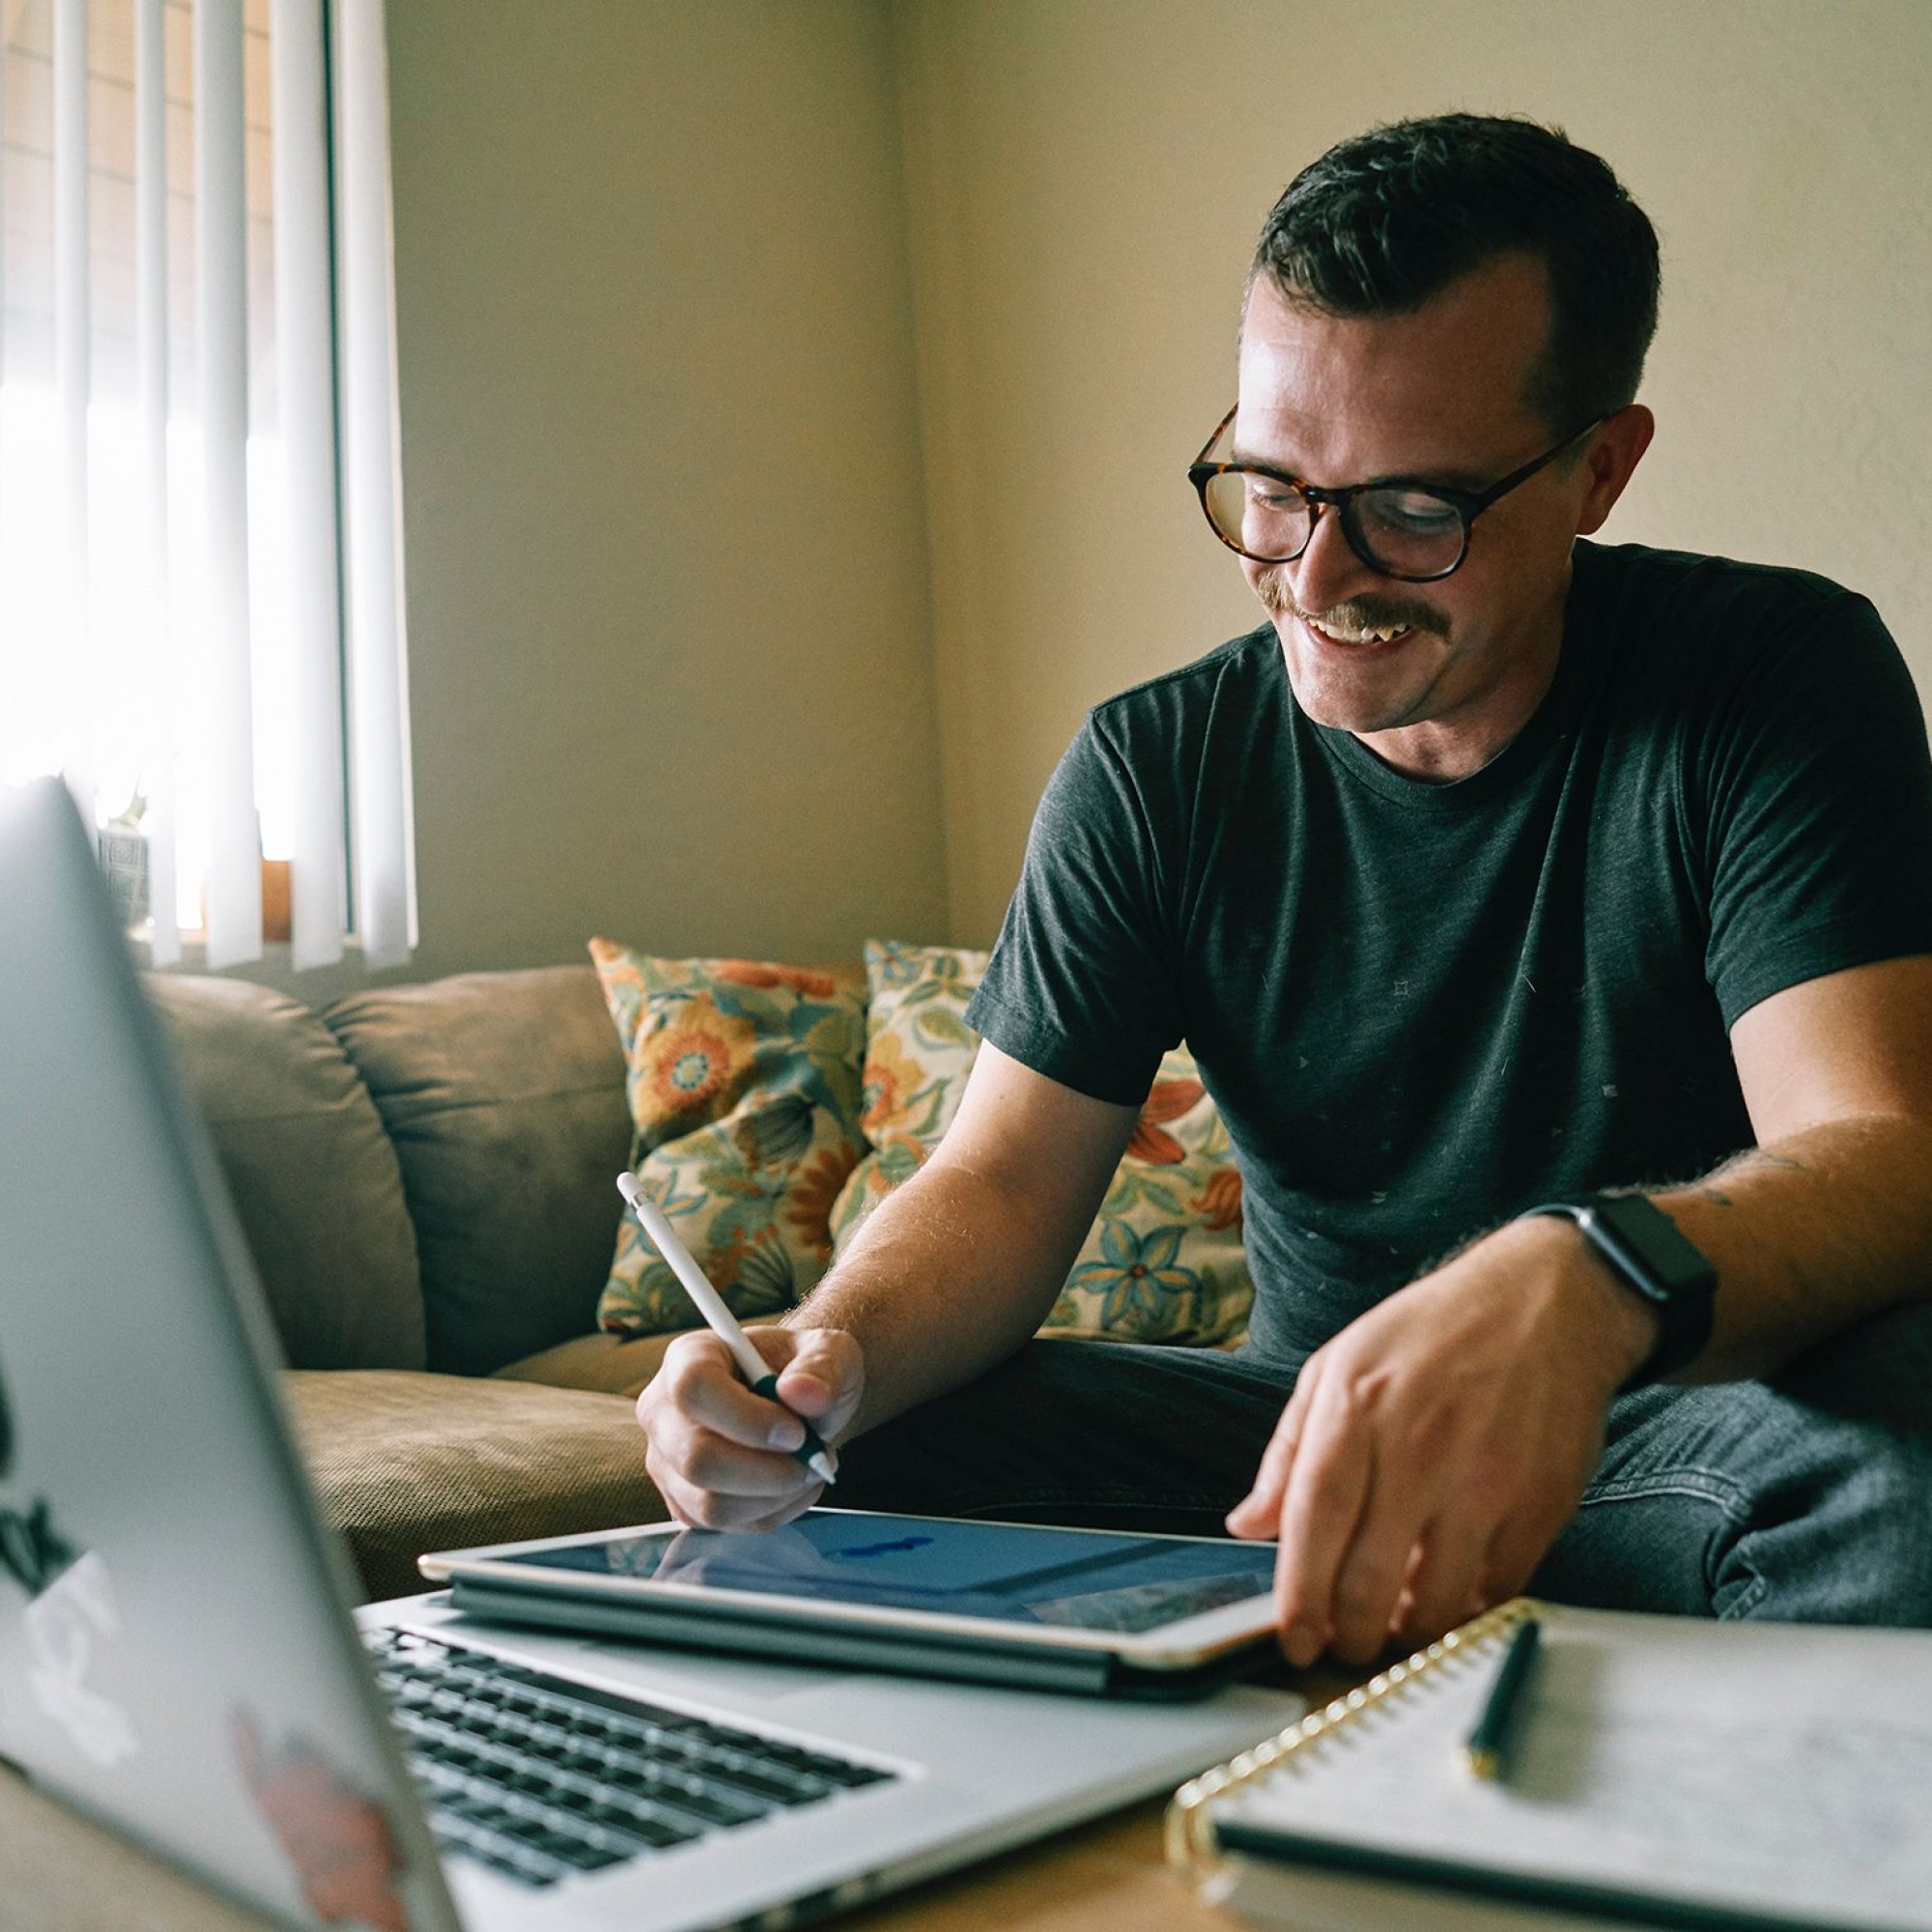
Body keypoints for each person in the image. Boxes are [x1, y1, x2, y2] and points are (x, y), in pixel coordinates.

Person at [638, 113, 1932, 1663]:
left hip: (1688, 1436)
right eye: (1272, 486)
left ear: (1599, 467)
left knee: (1908, 1471)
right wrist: (818, 1361)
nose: (1314, 582)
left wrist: (1589, 1272)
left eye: (1414, 510)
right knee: (860, 1469)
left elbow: (1883, 1149)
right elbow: (997, 1184)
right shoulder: (1157, 764)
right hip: (1290, 1452)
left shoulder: (1772, 679)